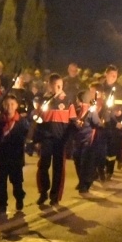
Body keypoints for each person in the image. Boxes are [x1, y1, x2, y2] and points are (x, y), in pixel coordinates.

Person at [33, 73, 77, 206]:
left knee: (58, 168)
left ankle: (55, 196)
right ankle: (43, 192)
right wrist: (37, 138)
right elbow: (37, 121)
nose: (58, 87)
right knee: (43, 165)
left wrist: (69, 139)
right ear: (49, 85)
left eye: (60, 85)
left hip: (60, 139)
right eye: (55, 85)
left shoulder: (68, 100)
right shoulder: (43, 100)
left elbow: (73, 121)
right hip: (47, 138)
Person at [0, 94, 29, 213]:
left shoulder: (22, 122)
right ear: (3, 105)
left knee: (16, 180)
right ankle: (1, 203)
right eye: (7, 104)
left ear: (16, 105)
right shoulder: (0, 121)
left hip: (16, 155)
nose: (10, 107)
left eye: (12, 104)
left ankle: (19, 198)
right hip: (3, 154)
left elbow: (27, 135)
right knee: (1, 180)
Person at [73, 89, 102, 193]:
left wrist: (101, 123)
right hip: (77, 140)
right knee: (77, 160)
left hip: (87, 140)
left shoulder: (91, 111)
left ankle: (85, 184)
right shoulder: (76, 110)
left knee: (85, 162)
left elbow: (97, 123)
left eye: (78, 99)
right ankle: (81, 181)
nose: (76, 101)